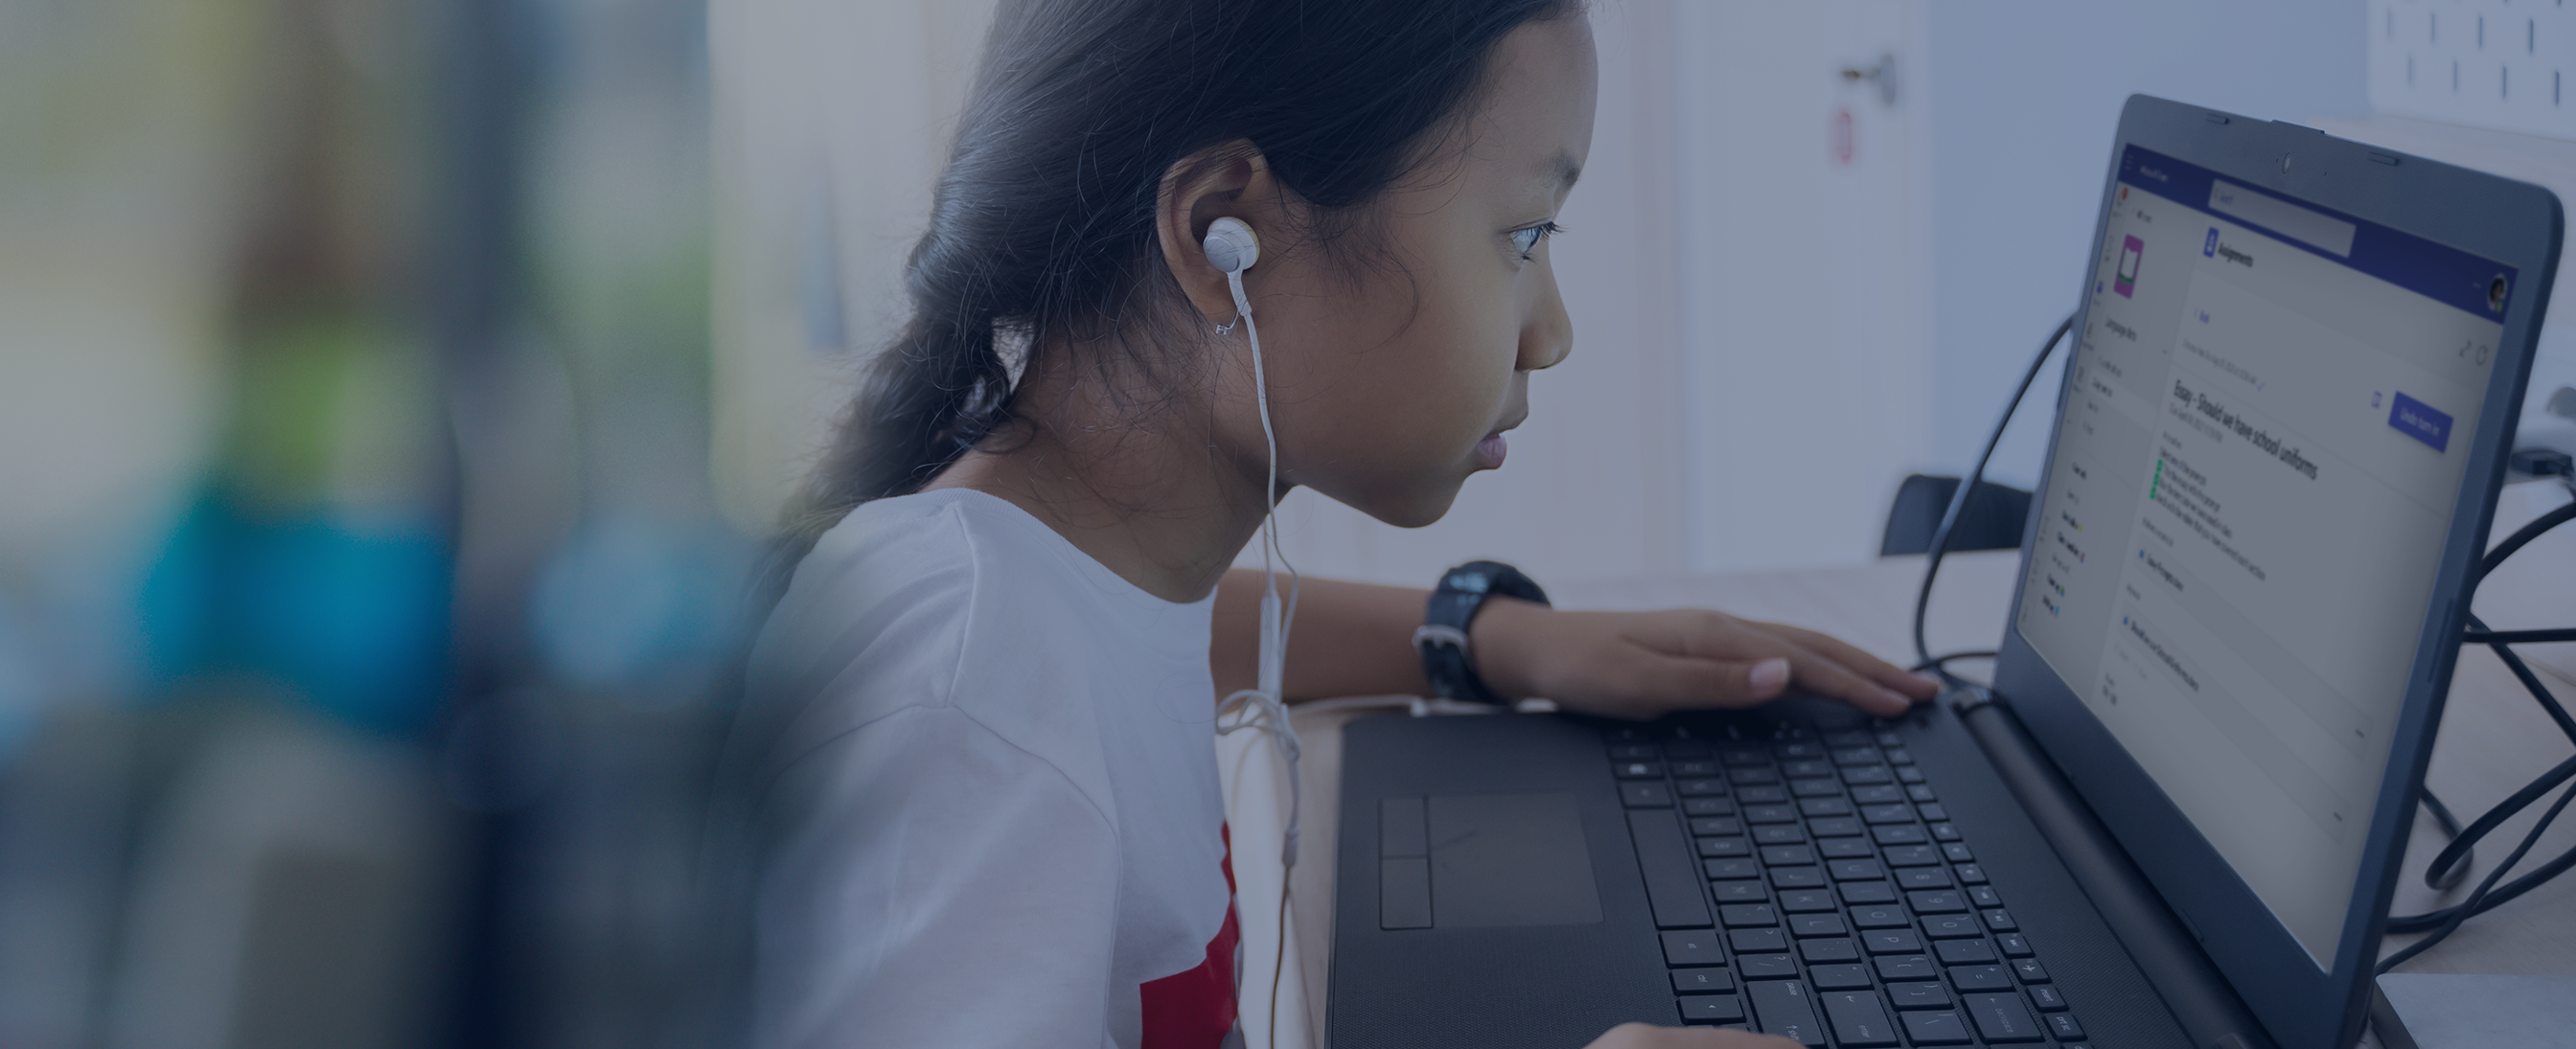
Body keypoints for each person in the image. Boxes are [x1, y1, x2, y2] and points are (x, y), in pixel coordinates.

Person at [721, 1, 1940, 1046]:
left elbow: (1143, 634)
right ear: (1220, 238)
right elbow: (1028, 700)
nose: (1552, 330)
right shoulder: (965, 721)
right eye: (1521, 237)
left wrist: (1489, 637)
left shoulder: (1052, 581)